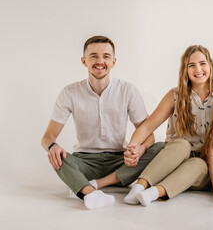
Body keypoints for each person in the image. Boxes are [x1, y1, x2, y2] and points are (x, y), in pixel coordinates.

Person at [40, 36, 164, 210]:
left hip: (120, 162)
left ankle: (93, 186)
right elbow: (47, 137)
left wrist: (140, 149)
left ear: (113, 61)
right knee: (57, 156)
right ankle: (91, 194)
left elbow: (148, 134)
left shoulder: (128, 90)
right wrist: (53, 146)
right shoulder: (69, 92)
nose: (100, 61)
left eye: (106, 56)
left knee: (159, 147)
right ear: (84, 61)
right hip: (85, 163)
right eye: (94, 56)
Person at [123, 45, 213, 206]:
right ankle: (139, 187)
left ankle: (153, 193)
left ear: (211, 65)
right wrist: (133, 148)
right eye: (191, 65)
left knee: (199, 164)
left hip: (202, 171)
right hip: (171, 162)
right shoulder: (175, 95)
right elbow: (148, 126)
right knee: (181, 144)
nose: (198, 69)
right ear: (185, 70)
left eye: (202, 63)